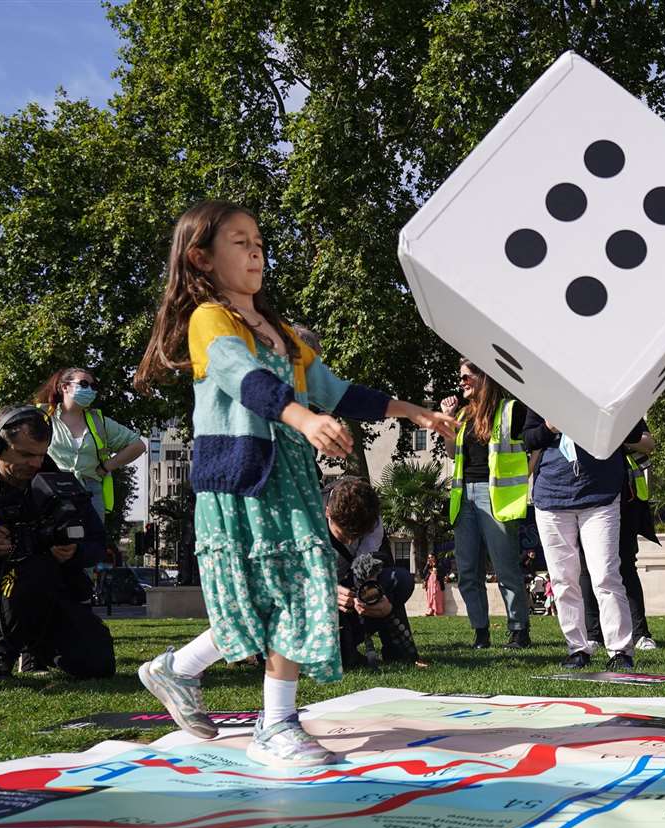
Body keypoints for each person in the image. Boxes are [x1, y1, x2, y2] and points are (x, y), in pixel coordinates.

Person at [131, 200, 454, 766]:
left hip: (291, 478)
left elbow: (336, 390)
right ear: (200, 259)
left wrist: (414, 412)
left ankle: (205, 685)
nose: (255, 250)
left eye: (258, 240)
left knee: (294, 591)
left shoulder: (280, 331)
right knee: (268, 599)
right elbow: (242, 377)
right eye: (238, 241)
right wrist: (302, 418)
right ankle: (259, 717)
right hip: (240, 481)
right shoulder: (210, 321)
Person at [0, 405, 116, 681]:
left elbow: (98, 543)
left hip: (56, 596)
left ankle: (37, 647)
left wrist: (74, 552)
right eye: (26, 454)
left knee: (97, 665)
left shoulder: (63, 488)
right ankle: (1, 653)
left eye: (41, 455)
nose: (35, 463)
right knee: (33, 565)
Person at [523, 409, 647, 671]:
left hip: (600, 495)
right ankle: (577, 648)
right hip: (551, 497)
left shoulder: (606, 390)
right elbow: (529, 438)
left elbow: (635, 432)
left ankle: (620, 650)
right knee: (562, 578)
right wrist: (549, 427)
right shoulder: (543, 392)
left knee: (605, 574)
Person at [440, 362, 532, 649]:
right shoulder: (464, 414)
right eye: (460, 377)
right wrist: (447, 420)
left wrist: (524, 476)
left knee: (505, 569)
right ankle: (480, 631)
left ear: (484, 377)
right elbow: (452, 454)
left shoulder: (510, 410)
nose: (462, 381)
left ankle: (519, 630)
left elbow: (536, 445)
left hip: (495, 496)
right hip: (463, 496)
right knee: (467, 571)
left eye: (467, 376)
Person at [324, 476, 421, 670]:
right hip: (312, 597)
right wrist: (327, 592)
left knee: (398, 580)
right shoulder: (306, 515)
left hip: (348, 591)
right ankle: (343, 651)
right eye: (344, 535)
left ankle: (398, 651)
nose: (351, 543)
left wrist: (377, 597)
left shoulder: (373, 520)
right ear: (328, 513)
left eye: (357, 536)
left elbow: (365, 564)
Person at [581, 432, 659, 650]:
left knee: (625, 564)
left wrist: (614, 437)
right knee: (587, 567)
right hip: (586, 495)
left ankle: (640, 633)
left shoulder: (623, 415)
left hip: (625, 497)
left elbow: (648, 443)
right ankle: (593, 635)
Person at [32, 367, 146, 514]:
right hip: (51, 492)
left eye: (94, 386)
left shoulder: (100, 422)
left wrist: (106, 467)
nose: (90, 390)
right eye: (84, 384)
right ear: (65, 387)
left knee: (92, 537)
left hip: (90, 494)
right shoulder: (43, 417)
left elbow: (138, 446)